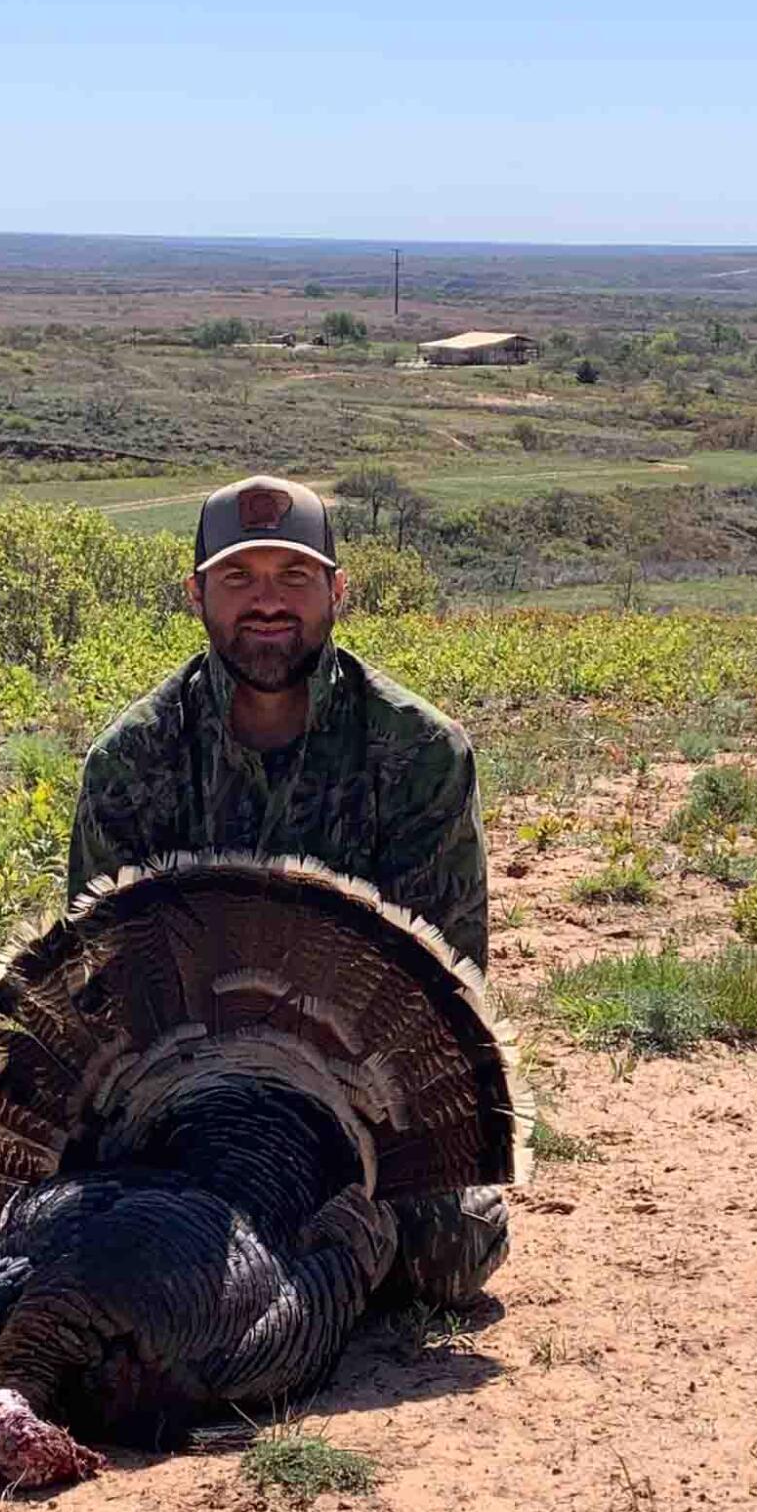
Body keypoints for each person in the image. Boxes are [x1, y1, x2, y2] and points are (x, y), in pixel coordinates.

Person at [65, 474, 508, 1305]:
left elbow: (448, 997)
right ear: (196, 594)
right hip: (180, 1105)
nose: (267, 603)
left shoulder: (419, 753)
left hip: (362, 1111)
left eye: (293, 578)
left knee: (450, 1254)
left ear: (336, 590)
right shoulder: (132, 761)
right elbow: (99, 1001)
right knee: (20, 1216)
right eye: (239, 579)